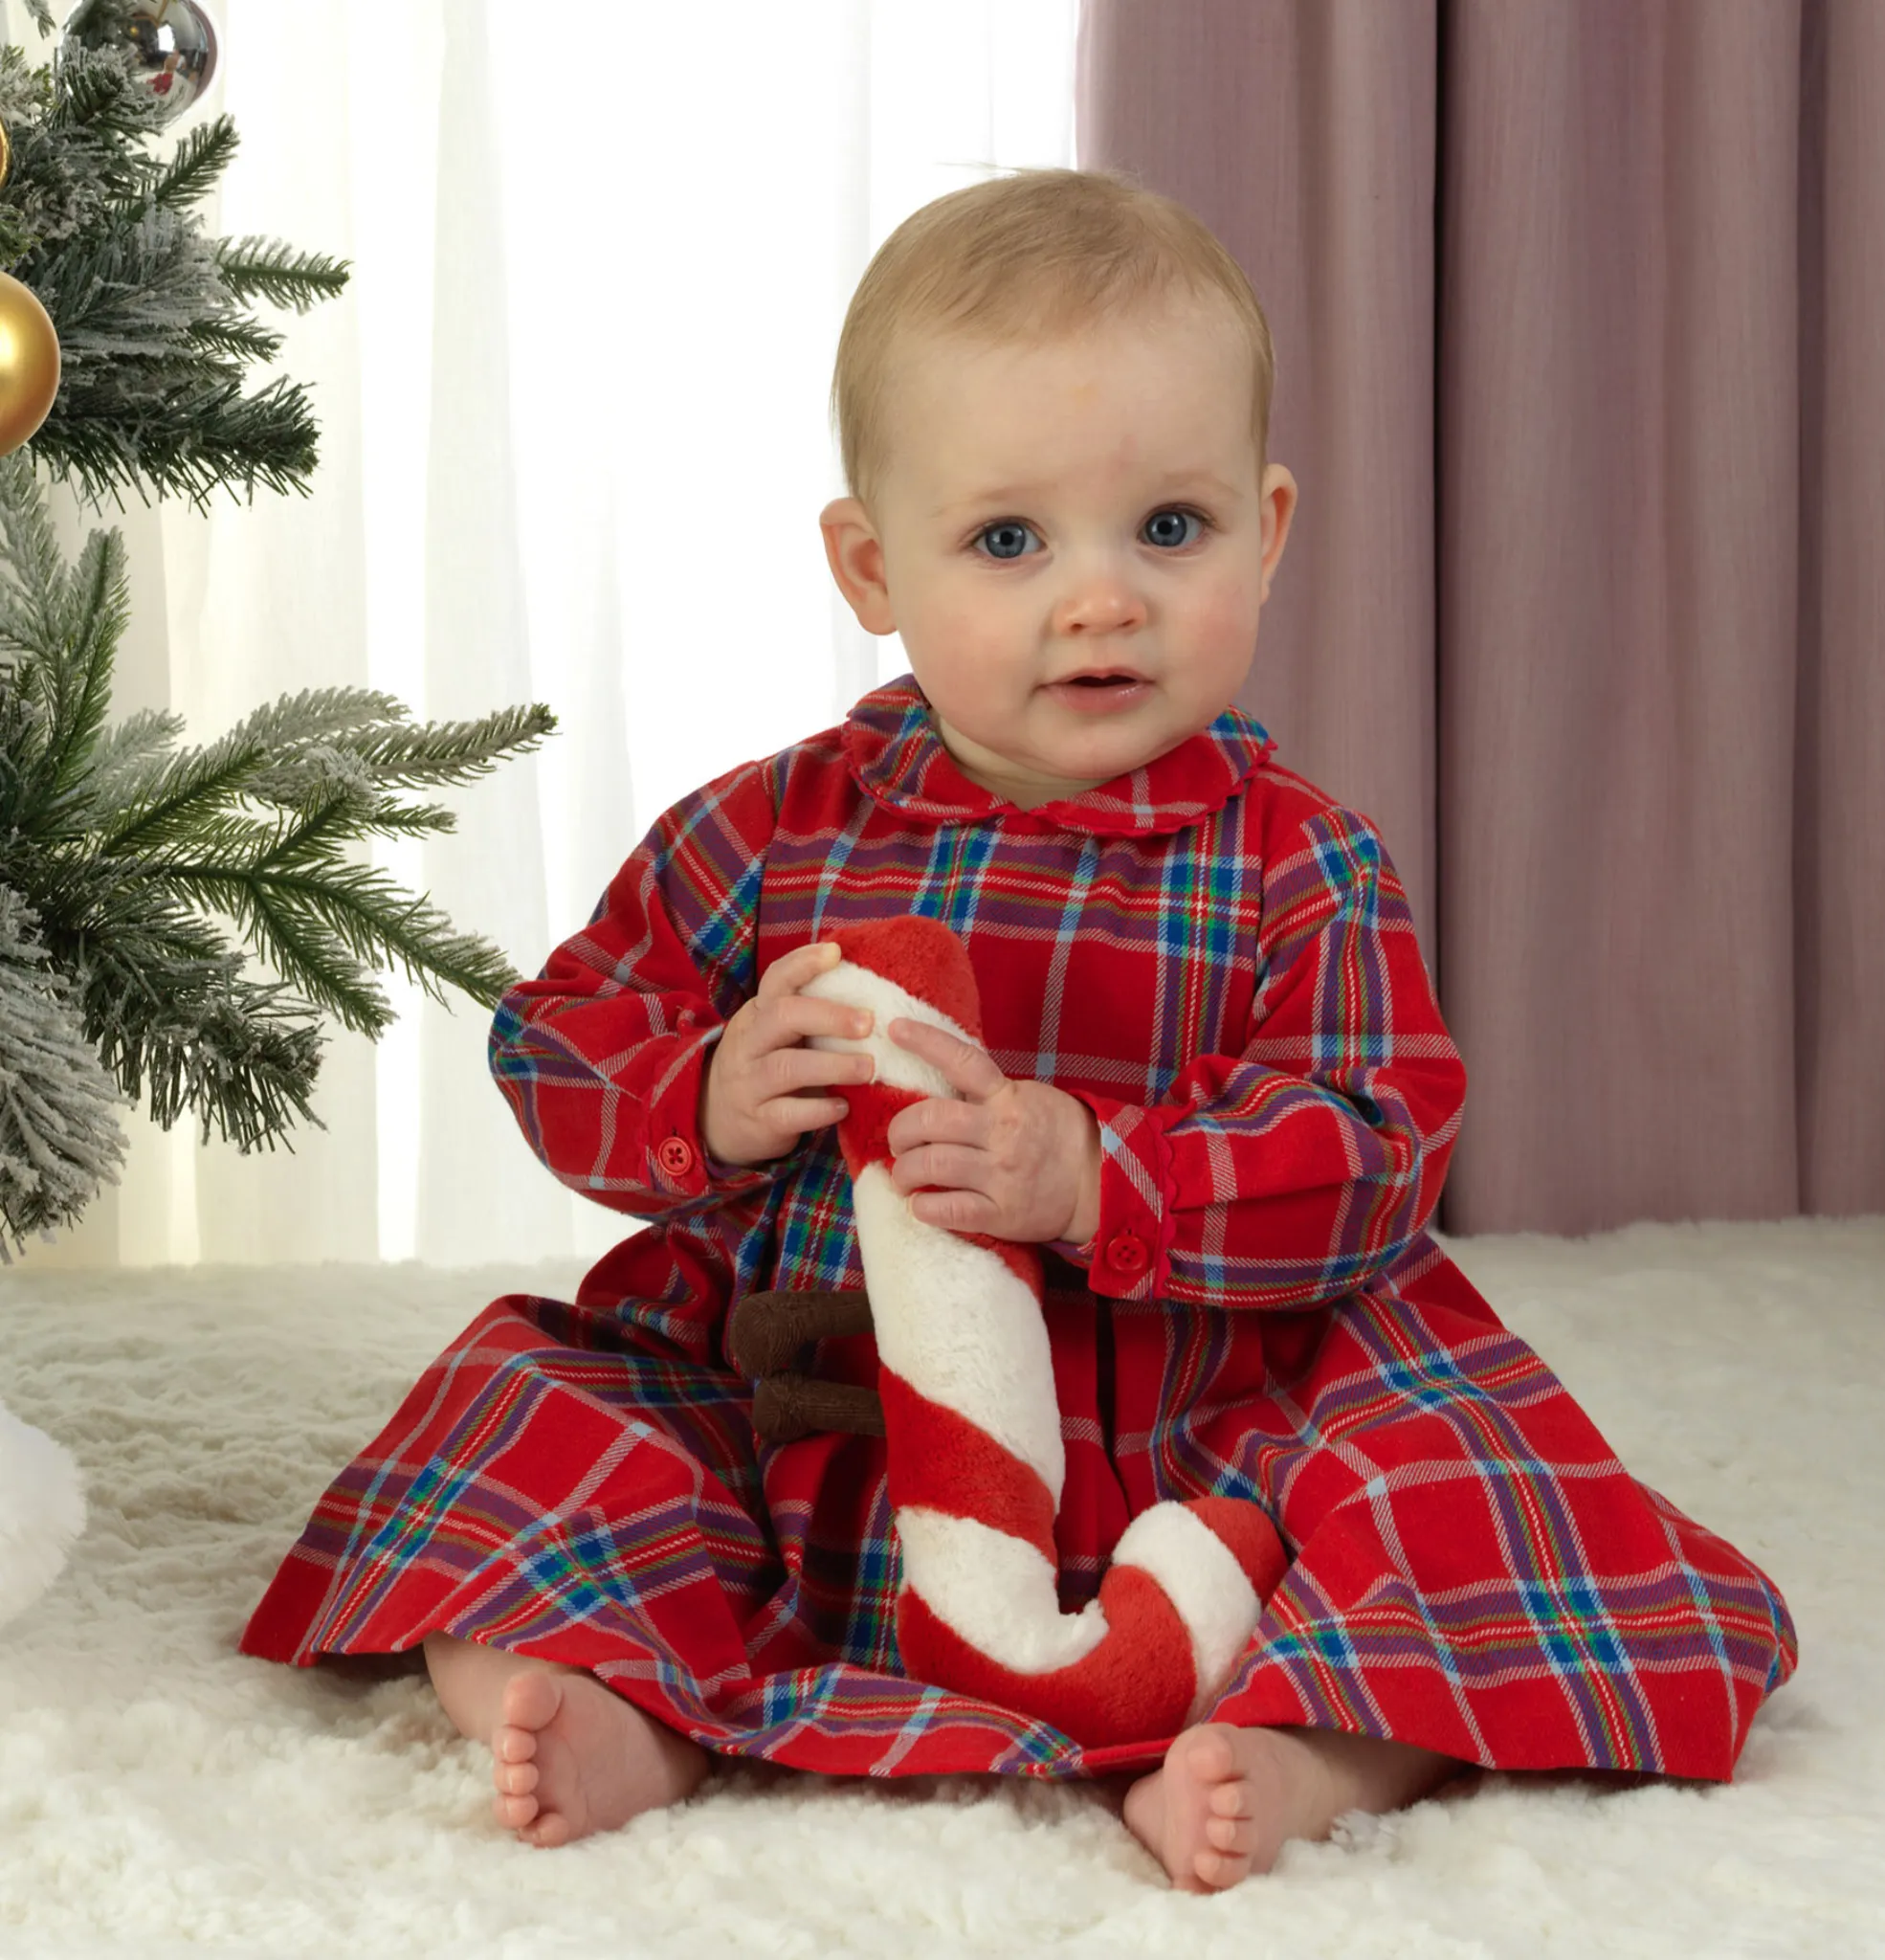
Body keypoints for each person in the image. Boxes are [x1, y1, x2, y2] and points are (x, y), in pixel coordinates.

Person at [239, 167, 1798, 1893]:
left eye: (1172, 529)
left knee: (1456, 1474)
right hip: (819, 1400)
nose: (1100, 598)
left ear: (1269, 529)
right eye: (1007, 540)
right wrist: (707, 1095)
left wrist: (1108, 1175)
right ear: (870, 565)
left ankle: (1307, 1744)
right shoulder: (767, 834)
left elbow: (1378, 1146)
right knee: (527, 1415)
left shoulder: (1306, 866)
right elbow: (558, 1036)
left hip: (1204, 1422)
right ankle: (615, 1695)